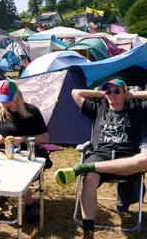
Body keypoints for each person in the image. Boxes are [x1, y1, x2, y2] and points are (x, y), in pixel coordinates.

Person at [54, 78, 147, 239]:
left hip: (126, 159)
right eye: (109, 91)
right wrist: (101, 94)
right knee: (89, 179)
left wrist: (132, 95)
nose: (112, 94)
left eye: (117, 91)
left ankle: (82, 167)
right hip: (101, 157)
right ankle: (88, 232)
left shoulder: (136, 109)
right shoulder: (97, 108)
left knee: (144, 161)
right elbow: (75, 93)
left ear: (124, 93)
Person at [0, 80, 49, 223]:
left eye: (9, 100)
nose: (6, 104)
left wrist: (24, 139)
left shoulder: (32, 112)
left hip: (27, 151)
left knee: (20, 165)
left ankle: (29, 204)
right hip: (3, 151)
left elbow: (44, 138)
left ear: (17, 96)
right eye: (4, 101)